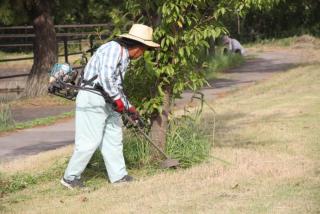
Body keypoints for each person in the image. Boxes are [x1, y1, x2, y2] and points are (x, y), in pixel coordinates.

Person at [60, 24, 160, 189]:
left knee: (113, 139)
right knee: (89, 141)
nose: (143, 54)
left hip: (108, 100)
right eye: (144, 50)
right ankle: (70, 178)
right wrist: (118, 101)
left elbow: (116, 85)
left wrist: (129, 107)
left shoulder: (124, 57)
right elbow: (106, 78)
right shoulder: (114, 49)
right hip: (93, 98)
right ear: (138, 48)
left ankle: (119, 176)